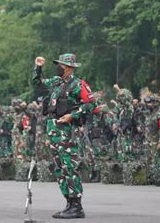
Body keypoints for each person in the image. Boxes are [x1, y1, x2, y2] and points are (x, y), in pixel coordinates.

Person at [32, 53, 96, 219]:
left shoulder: (78, 84)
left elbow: (91, 104)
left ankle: (77, 205)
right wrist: (38, 68)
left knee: (69, 166)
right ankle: (68, 202)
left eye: (60, 65)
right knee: (59, 168)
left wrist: (72, 116)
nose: (57, 67)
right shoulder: (56, 82)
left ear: (68, 67)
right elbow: (37, 84)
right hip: (53, 130)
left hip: (67, 131)